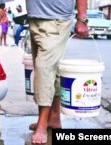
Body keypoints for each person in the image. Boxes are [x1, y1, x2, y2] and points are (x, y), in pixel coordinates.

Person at [26, 0, 89, 144]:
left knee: (44, 69)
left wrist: (82, 19)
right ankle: (54, 118)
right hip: (35, 18)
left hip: (55, 19)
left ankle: (42, 124)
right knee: (49, 70)